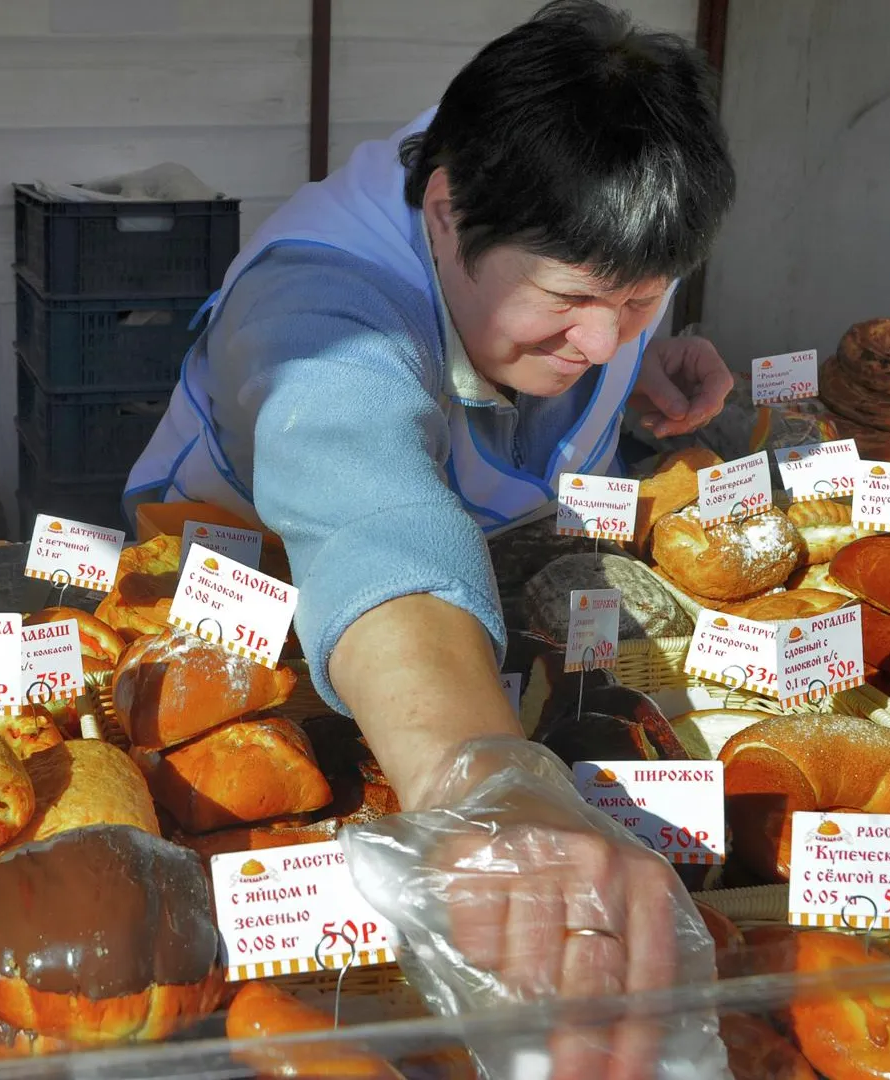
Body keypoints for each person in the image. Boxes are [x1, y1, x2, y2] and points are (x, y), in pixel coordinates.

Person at [124, 1, 737, 1074]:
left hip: (467, 626)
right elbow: (368, 508)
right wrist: (482, 777)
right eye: (576, 301)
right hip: (258, 644)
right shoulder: (314, 302)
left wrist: (655, 365)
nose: (599, 342)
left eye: (639, 301)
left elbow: (597, 312)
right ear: (446, 215)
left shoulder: (574, 206)